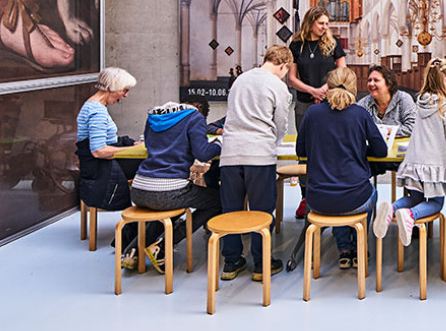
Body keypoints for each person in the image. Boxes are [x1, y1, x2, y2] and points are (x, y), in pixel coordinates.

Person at [296, 67, 387, 269]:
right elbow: (381, 151)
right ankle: (359, 246)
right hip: (355, 197)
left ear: (327, 86)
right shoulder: (360, 114)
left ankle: (344, 249)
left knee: (335, 198)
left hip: (318, 199)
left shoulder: (312, 113)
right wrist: (359, 149)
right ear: (354, 88)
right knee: (370, 193)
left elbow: (300, 150)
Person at [218, 45, 293, 281]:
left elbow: (231, 114)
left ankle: (231, 262)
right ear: (284, 66)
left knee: (231, 210)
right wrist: (275, 142)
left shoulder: (240, 80)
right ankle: (262, 264)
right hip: (259, 155)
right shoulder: (277, 85)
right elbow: (280, 122)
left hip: (230, 153)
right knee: (262, 211)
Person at [374, 58, 446, 245]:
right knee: (436, 203)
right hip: (433, 164)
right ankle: (410, 215)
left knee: (415, 197)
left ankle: (391, 209)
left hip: (414, 161)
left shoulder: (420, 103)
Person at [129, 100, 223, 273]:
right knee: (218, 201)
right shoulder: (195, 117)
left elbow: (150, 146)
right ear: (201, 112)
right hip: (169, 190)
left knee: (169, 207)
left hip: (139, 188)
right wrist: (218, 144)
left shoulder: (154, 117)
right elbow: (202, 153)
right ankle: (162, 248)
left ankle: (132, 252)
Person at [288, 6, 347, 218]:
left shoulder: (333, 44)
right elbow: (292, 78)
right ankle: (306, 198)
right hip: (304, 102)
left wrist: (326, 89)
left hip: (329, 102)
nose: (325, 27)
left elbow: (342, 71)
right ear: (310, 22)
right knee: (305, 151)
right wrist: (311, 90)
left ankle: (330, 194)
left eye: (326, 24)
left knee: (329, 149)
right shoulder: (296, 44)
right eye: (321, 23)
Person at [75, 67, 139, 213]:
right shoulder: (97, 112)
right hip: (101, 168)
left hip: (99, 166)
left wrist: (133, 144)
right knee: (157, 163)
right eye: (125, 90)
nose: (125, 96)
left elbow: (106, 140)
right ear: (111, 87)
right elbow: (99, 151)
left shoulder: (93, 106)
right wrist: (135, 150)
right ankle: (150, 217)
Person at [357, 65, 416, 136]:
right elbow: (357, 129)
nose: (371, 84)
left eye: (376, 80)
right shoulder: (363, 104)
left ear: (389, 83)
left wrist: (388, 131)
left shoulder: (403, 99)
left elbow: (412, 127)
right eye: (369, 80)